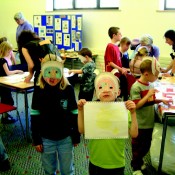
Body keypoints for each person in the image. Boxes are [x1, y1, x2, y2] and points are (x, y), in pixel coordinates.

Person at [78, 72, 138, 175]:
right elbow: (82, 130)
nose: (106, 90)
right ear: (96, 93)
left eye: (111, 87)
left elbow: (134, 134)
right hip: (96, 161)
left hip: (116, 163)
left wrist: (133, 113)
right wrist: (80, 110)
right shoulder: (92, 110)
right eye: (100, 87)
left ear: (118, 92)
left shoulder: (123, 110)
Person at [31, 54, 80, 175]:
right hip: (46, 138)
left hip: (66, 138)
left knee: (67, 170)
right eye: (49, 72)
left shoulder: (68, 89)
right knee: (48, 169)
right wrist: (36, 139)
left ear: (62, 72)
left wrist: (76, 134)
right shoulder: (38, 90)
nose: (52, 77)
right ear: (42, 71)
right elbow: (34, 115)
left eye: (56, 72)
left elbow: (74, 113)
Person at [130, 57, 171, 175]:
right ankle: (135, 167)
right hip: (140, 124)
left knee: (146, 145)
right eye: (156, 75)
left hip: (149, 121)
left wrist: (160, 100)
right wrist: (148, 95)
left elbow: (150, 100)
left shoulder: (149, 84)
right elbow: (136, 105)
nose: (156, 77)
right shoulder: (136, 87)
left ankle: (139, 161)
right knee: (137, 147)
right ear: (147, 74)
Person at [0, 41, 23, 124]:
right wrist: (17, 71)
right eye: (9, 51)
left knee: (6, 98)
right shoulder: (3, 61)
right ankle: (4, 117)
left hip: (6, 82)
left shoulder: (6, 59)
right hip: (3, 84)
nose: (10, 53)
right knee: (6, 99)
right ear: (4, 50)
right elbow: (8, 73)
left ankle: (5, 115)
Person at [104, 27, 129, 100]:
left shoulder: (116, 47)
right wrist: (121, 69)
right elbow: (110, 63)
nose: (121, 35)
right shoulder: (110, 46)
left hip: (118, 73)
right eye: (120, 34)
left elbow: (118, 62)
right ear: (114, 35)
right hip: (112, 74)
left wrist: (122, 68)